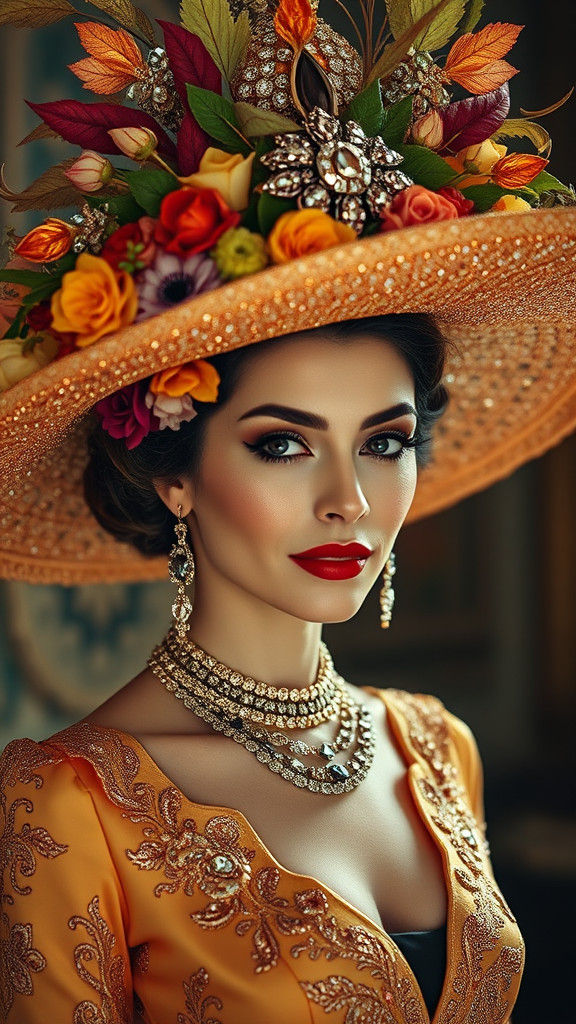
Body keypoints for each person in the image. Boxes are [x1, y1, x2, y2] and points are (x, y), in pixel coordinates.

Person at [0, 1, 575, 1022]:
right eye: (281, 442)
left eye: (384, 441)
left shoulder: (436, 747)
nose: (348, 499)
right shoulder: (68, 802)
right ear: (173, 471)